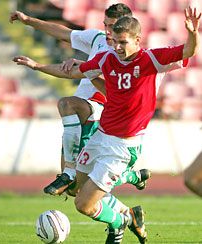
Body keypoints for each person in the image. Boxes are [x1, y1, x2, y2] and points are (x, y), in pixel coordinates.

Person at [13, 6, 201, 243]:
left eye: (123, 42)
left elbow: (189, 50)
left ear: (137, 40)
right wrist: (37, 66)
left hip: (122, 148)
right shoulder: (107, 57)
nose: (118, 48)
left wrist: (193, 33)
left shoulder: (153, 59)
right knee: (75, 191)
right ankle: (131, 189)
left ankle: (121, 220)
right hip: (100, 137)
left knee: (84, 205)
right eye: (115, 42)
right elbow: (73, 72)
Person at [10, 4, 151, 197]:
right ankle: (130, 182)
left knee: (67, 103)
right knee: (76, 191)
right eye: (105, 25)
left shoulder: (129, 56)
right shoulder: (97, 39)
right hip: (81, 113)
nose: (108, 31)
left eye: (113, 26)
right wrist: (28, 21)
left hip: (102, 111)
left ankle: (69, 172)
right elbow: (64, 34)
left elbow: (116, 88)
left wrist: (85, 67)